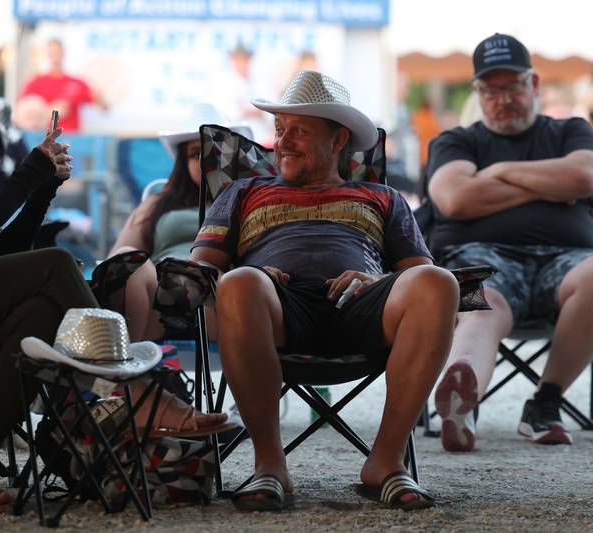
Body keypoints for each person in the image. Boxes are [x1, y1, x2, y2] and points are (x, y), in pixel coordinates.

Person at [0, 47, 224, 513]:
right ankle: (134, 390)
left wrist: (43, 187)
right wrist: (30, 173)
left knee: (40, 314)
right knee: (55, 263)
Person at [189, 70, 459, 511]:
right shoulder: (244, 191)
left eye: (299, 131)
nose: (283, 141)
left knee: (438, 282)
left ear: (337, 141)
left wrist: (378, 281)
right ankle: (269, 466)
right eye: (279, 130)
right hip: (276, 311)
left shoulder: (383, 197)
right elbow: (197, 272)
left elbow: (418, 274)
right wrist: (251, 274)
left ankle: (386, 462)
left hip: (363, 308)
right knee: (237, 283)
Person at [426, 33, 593, 452]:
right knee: (481, 306)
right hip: (482, 256)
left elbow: (583, 177)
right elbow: (455, 198)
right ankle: (462, 399)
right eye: (491, 89)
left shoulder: (570, 130)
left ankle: (544, 405)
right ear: (478, 93)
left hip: (568, 260)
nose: (504, 99)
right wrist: (548, 186)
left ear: (533, 84)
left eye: (513, 86)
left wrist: (497, 171)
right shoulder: (457, 141)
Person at [107, 103, 251, 341]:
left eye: (216, 153)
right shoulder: (158, 203)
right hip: (157, 295)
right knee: (127, 257)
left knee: (214, 275)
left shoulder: (249, 204)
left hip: (218, 295)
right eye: (196, 154)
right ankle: (132, 367)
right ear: (183, 163)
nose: (206, 162)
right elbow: (116, 261)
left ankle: (137, 372)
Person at [18, 39, 106, 133]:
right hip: (45, 139)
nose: (55, 55)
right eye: (52, 52)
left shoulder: (77, 83)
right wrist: (49, 111)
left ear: (63, 53)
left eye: (57, 52)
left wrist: (99, 96)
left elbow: (103, 106)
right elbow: (21, 111)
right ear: (47, 54)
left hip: (71, 139)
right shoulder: (36, 82)